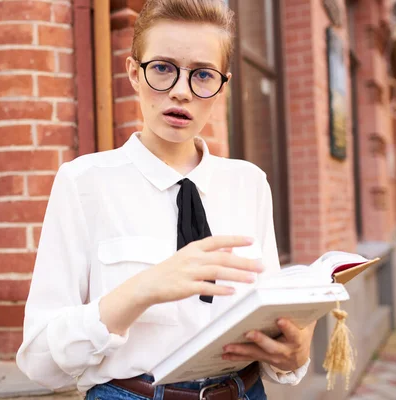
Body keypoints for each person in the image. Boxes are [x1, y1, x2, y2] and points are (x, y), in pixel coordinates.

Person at [16, 0, 316, 399]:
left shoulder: (250, 183)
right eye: (162, 68)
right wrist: (143, 289)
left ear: (222, 84)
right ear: (133, 73)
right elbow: (40, 360)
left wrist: (293, 354)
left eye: (203, 75)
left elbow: (273, 333)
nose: (180, 91)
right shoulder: (84, 182)